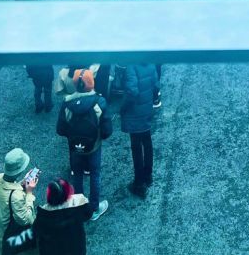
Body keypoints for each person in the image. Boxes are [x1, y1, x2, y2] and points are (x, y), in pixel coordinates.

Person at [56, 68, 112, 221]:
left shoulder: (67, 104)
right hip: (94, 146)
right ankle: (94, 208)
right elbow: (107, 130)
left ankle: (79, 207)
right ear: (91, 83)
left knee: (77, 175)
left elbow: (60, 129)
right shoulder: (99, 102)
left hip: (75, 148)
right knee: (95, 174)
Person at [117, 64, 160, 198]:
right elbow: (156, 86)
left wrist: (122, 109)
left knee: (136, 147)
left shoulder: (132, 67)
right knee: (147, 142)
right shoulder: (151, 64)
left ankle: (138, 182)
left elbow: (132, 91)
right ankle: (148, 175)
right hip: (146, 109)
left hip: (134, 112)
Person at [0, 148, 37, 255]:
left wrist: (21, 184)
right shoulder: (17, 195)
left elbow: (7, 190)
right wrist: (29, 193)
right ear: (20, 170)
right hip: (10, 234)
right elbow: (25, 219)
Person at [32, 178, 90, 255]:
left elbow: (36, 230)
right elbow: (88, 213)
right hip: (76, 249)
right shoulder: (78, 205)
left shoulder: (43, 214)